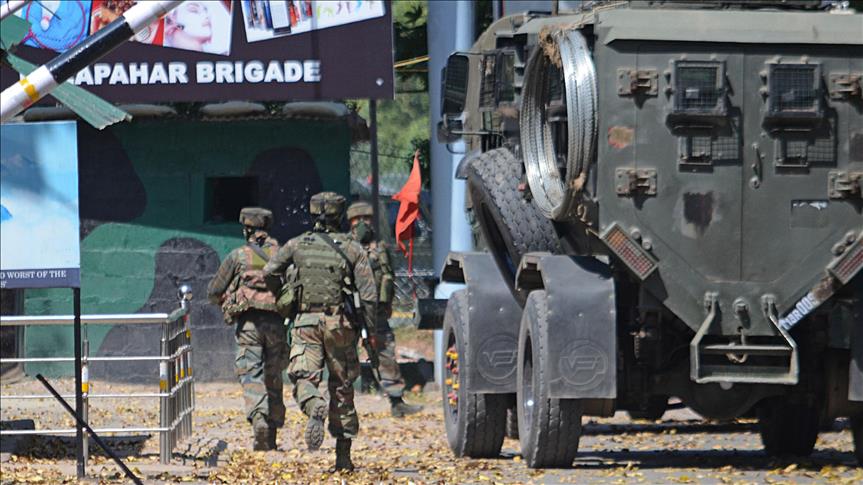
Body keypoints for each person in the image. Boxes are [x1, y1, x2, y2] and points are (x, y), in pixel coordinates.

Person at [263, 192, 377, 472]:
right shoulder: (352, 248)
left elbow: (269, 271)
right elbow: (369, 295)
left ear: (313, 214)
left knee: (303, 376)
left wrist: (285, 296)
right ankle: (343, 458)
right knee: (342, 387)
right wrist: (369, 330)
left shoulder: (297, 244)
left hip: (306, 322)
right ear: (340, 216)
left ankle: (314, 404)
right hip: (340, 325)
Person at [207, 207, 286, 451]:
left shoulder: (239, 256)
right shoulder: (282, 254)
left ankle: (259, 417)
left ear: (246, 230)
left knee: (251, 373)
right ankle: (271, 435)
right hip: (276, 323)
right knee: (274, 376)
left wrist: (228, 300)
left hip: (249, 324)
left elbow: (213, 291)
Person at [346, 201, 423, 417]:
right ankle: (341, 405)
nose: (362, 223)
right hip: (350, 311)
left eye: (366, 219)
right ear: (350, 222)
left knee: (385, 353)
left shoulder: (380, 248)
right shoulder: (343, 247)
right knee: (343, 357)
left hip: (377, 312)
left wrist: (388, 304)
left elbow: (389, 277)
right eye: (357, 219)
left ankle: (397, 401)